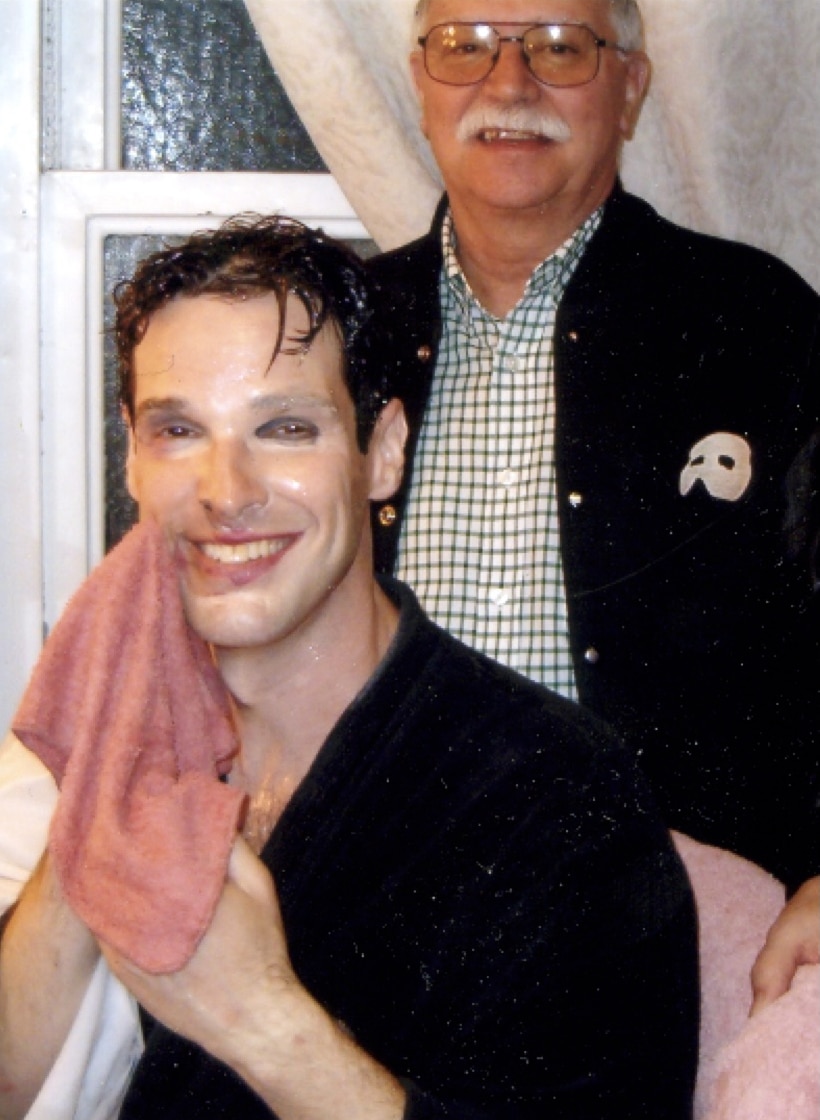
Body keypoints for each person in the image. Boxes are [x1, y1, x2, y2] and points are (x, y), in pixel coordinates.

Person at [0, 215, 698, 1119]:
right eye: (178, 431)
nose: (226, 492)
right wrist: (99, 789)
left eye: (285, 427)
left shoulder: (558, 802)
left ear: (383, 452)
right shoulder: (118, 744)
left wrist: (264, 1025)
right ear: (133, 459)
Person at [366, 0, 820, 1013]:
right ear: (418, 79)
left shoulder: (757, 324)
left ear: (631, 85)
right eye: (464, 47)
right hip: (371, 917)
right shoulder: (337, 335)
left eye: (560, 47)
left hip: (677, 942)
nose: (508, 84)